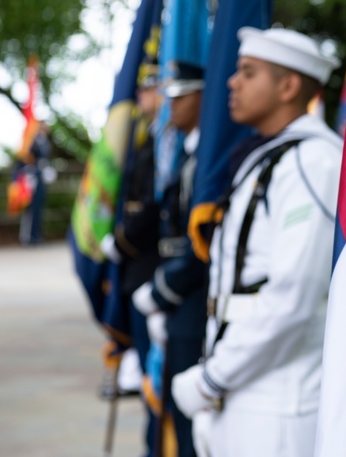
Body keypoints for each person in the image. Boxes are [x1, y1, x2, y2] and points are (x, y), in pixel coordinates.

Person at [171, 27, 342, 457]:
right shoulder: (275, 155)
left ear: (288, 86)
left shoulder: (313, 161)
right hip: (242, 389)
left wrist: (212, 378)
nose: (232, 81)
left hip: (278, 402)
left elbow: (292, 296)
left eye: (248, 72)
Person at [132, 62, 208, 457]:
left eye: (179, 97)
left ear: (201, 97)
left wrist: (163, 293)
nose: (169, 105)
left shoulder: (207, 161)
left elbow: (201, 245)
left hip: (191, 302)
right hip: (176, 295)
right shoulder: (190, 154)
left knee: (186, 424)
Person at [101, 57, 164, 456]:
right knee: (146, 372)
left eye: (148, 88)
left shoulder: (163, 143)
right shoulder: (150, 137)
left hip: (151, 268)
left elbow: (153, 207)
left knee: (154, 374)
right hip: (139, 268)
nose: (140, 95)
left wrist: (121, 242)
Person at [18, 122, 51, 246]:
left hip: (41, 176)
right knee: (30, 208)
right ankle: (28, 237)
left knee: (39, 206)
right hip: (32, 176)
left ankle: (37, 235)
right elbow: (26, 158)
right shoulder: (32, 141)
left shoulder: (45, 142)